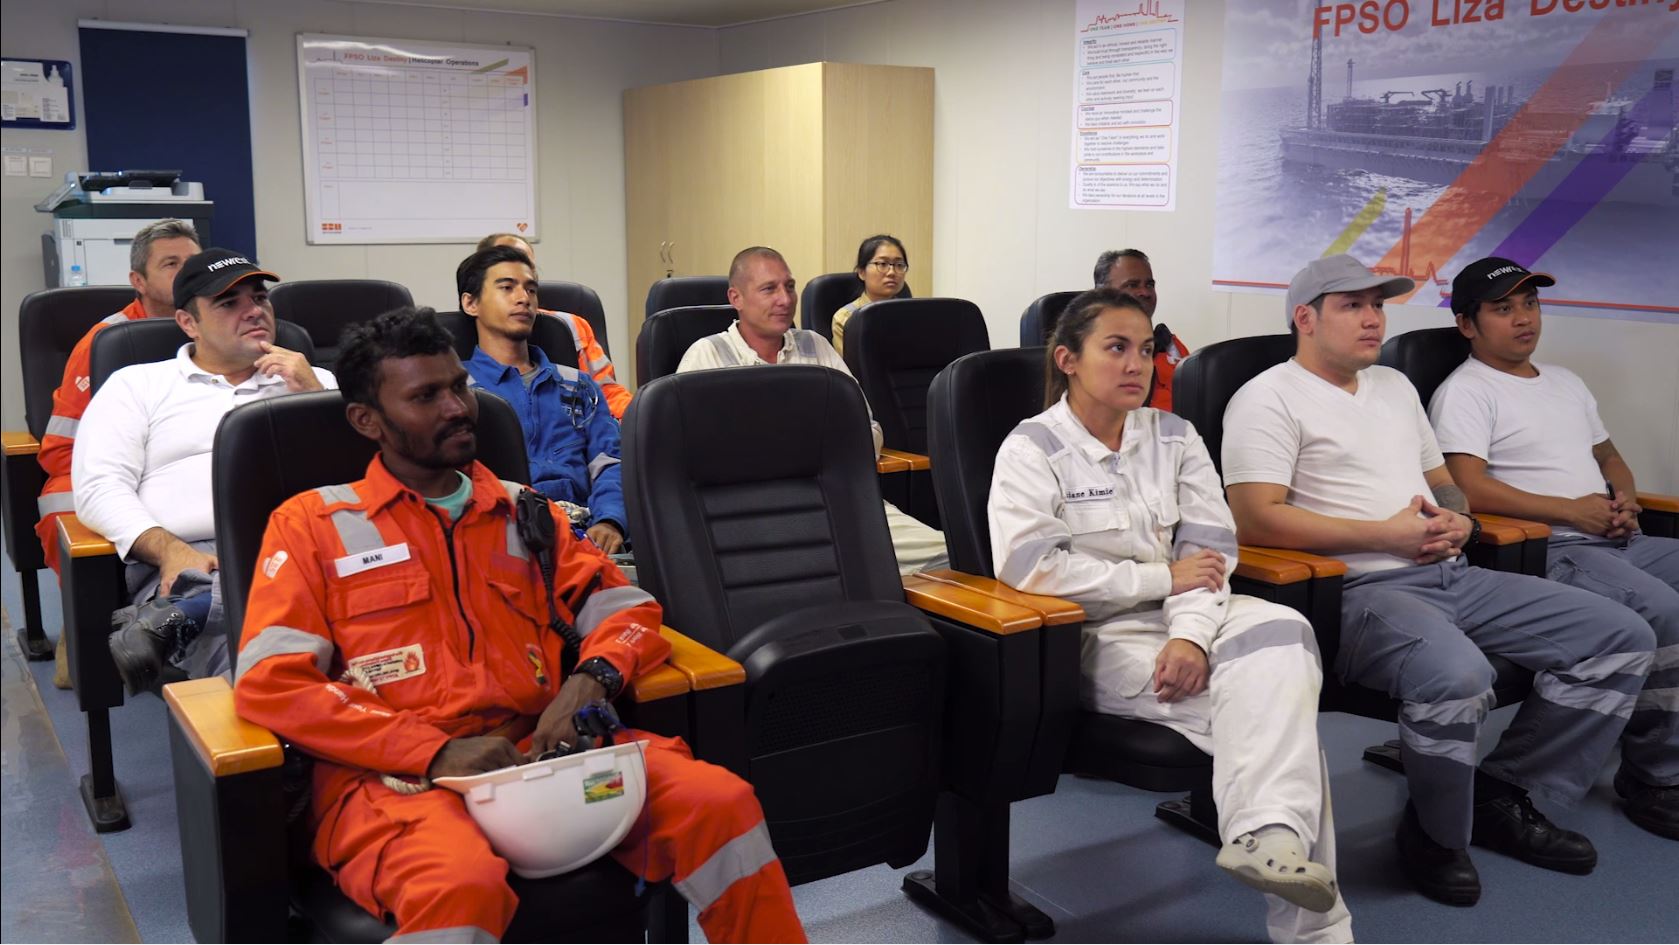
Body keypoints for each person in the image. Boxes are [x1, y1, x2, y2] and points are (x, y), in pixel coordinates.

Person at [232, 307, 805, 943]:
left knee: (720, 806)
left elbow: (627, 610)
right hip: (397, 783)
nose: (458, 408)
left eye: (459, 386)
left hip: (544, 760)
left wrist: (590, 680)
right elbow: (271, 683)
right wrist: (431, 751)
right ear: (367, 420)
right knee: (458, 885)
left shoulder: (523, 512)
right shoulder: (312, 526)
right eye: (426, 396)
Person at [1221, 254, 1655, 906]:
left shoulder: (1394, 386)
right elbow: (1254, 517)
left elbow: (1444, 484)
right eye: (1351, 305)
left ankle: (1506, 792)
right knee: (1458, 675)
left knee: (1621, 636)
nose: (1372, 318)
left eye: (1377, 305)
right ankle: (1435, 835)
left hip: (1450, 572)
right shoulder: (1266, 397)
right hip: (1359, 591)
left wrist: (1459, 522)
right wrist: (1384, 536)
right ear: (1304, 318)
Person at [989, 287, 1350, 943]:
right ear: (1068, 359)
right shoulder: (1031, 448)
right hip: (1092, 635)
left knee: (1286, 629)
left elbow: (1208, 556)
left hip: (1187, 614)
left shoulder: (1175, 435)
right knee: (1280, 711)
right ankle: (1303, 907)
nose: (1137, 364)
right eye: (1116, 348)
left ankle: (1267, 837)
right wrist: (1159, 578)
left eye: (1145, 349)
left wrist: (1190, 637)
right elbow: (1033, 571)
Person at [1429, 257, 1678, 840]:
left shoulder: (1566, 382)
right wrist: (1573, 511)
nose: (1524, 319)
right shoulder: (1465, 391)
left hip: (1616, 536)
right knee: (1664, 610)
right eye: (1503, 308)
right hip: (1553, 549)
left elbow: (1608, 456)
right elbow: (1466, 487)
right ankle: (1657, 776)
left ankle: (1648, 732)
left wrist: (1624, 498)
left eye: (1530, 304)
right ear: (1467, 324)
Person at [73, 248, 333, 692]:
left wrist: (315, 398)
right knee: (262, 664)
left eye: (260, 298)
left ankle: (186, 614)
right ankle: (196, 607)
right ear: (187, 322)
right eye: (229, 303)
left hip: (306, 545)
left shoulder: (316, 382)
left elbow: (363, 479)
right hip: (193, 557)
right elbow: (99, 487)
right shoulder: (137, 385)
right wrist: (169, 550)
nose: (254, 311)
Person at [675, 246, 948, 576]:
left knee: (949, 556)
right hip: (752, 514)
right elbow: (692, 458)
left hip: (837, 500)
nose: (785, 299)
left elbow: (868, 430)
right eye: (769, 289)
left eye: (789, 286)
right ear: (737, 298)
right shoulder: (707, 357)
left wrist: (812, 455)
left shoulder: (816, 347)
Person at [36, 218, 201, 687]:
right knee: (64, 507)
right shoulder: (104, 341)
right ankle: (81, 632)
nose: (185, 273)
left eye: (192, 263)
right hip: (99, 463)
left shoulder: (216, 325)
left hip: (178, 461)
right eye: (171, 264)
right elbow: (62, 448)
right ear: (138, 281)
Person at [457, 245, 628, 555]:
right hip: (499, 540)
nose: (524, 298)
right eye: (507, 288)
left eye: (531, 289)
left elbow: (610, 463)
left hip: (586, 536)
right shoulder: (456, 391)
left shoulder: (577, 384)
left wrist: (610, 521)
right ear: (471, 303)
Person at [477, 232, 631, 418]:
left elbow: (608, 394)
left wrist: (637, 419)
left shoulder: (573, 327)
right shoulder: (461, 342)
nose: (522, 297)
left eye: (527, 265)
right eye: (507, 285)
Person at [1093, 248, 1189, 411]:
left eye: (1149, 285)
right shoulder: (1087, 354)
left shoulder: (1170, 348)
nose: (1145, 292)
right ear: (1102, 293)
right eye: (1132, 285)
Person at [830, 234, 907, 357]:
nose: (892, 272)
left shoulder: (911, 313)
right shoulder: (846, 318)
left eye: (899, 265)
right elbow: (849, 365)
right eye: (882, 264)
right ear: (861, 272)